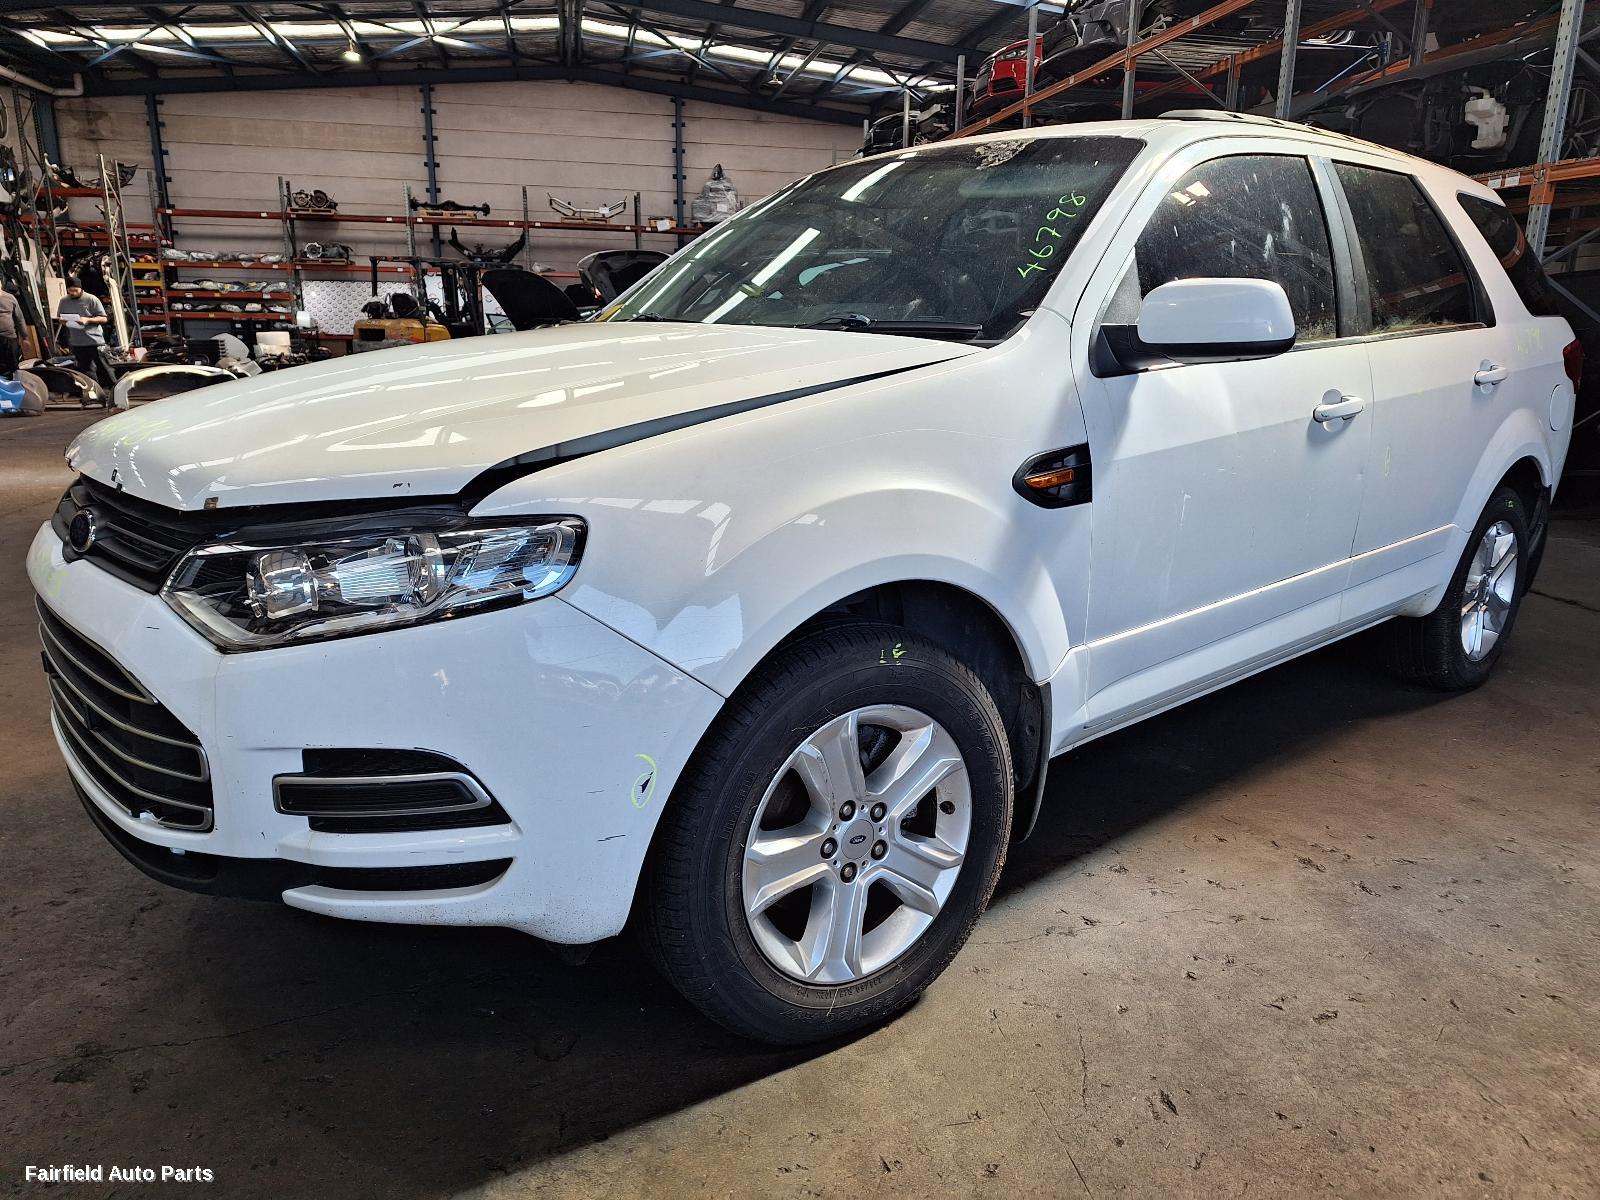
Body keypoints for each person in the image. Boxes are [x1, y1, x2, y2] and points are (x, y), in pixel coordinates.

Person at [57, 276, 115, 388]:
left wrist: (87, 320)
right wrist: (63, 321)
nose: (73, 293)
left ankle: (113, 388)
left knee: (102, 367)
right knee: (84, 369)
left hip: (94, 340)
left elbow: (104, 318)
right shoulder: (64, 301)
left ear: (81, 289)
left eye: (75, 290)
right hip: (77, 341)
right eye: (70, 291)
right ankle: (93, 390)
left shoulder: (91, 299)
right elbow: (60, 317)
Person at [0, 282, 25, 379]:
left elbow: (20, 318)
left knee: (13, 368)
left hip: (9, 338)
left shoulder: (10, 298)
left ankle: (17, 390)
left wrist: (25, 337)